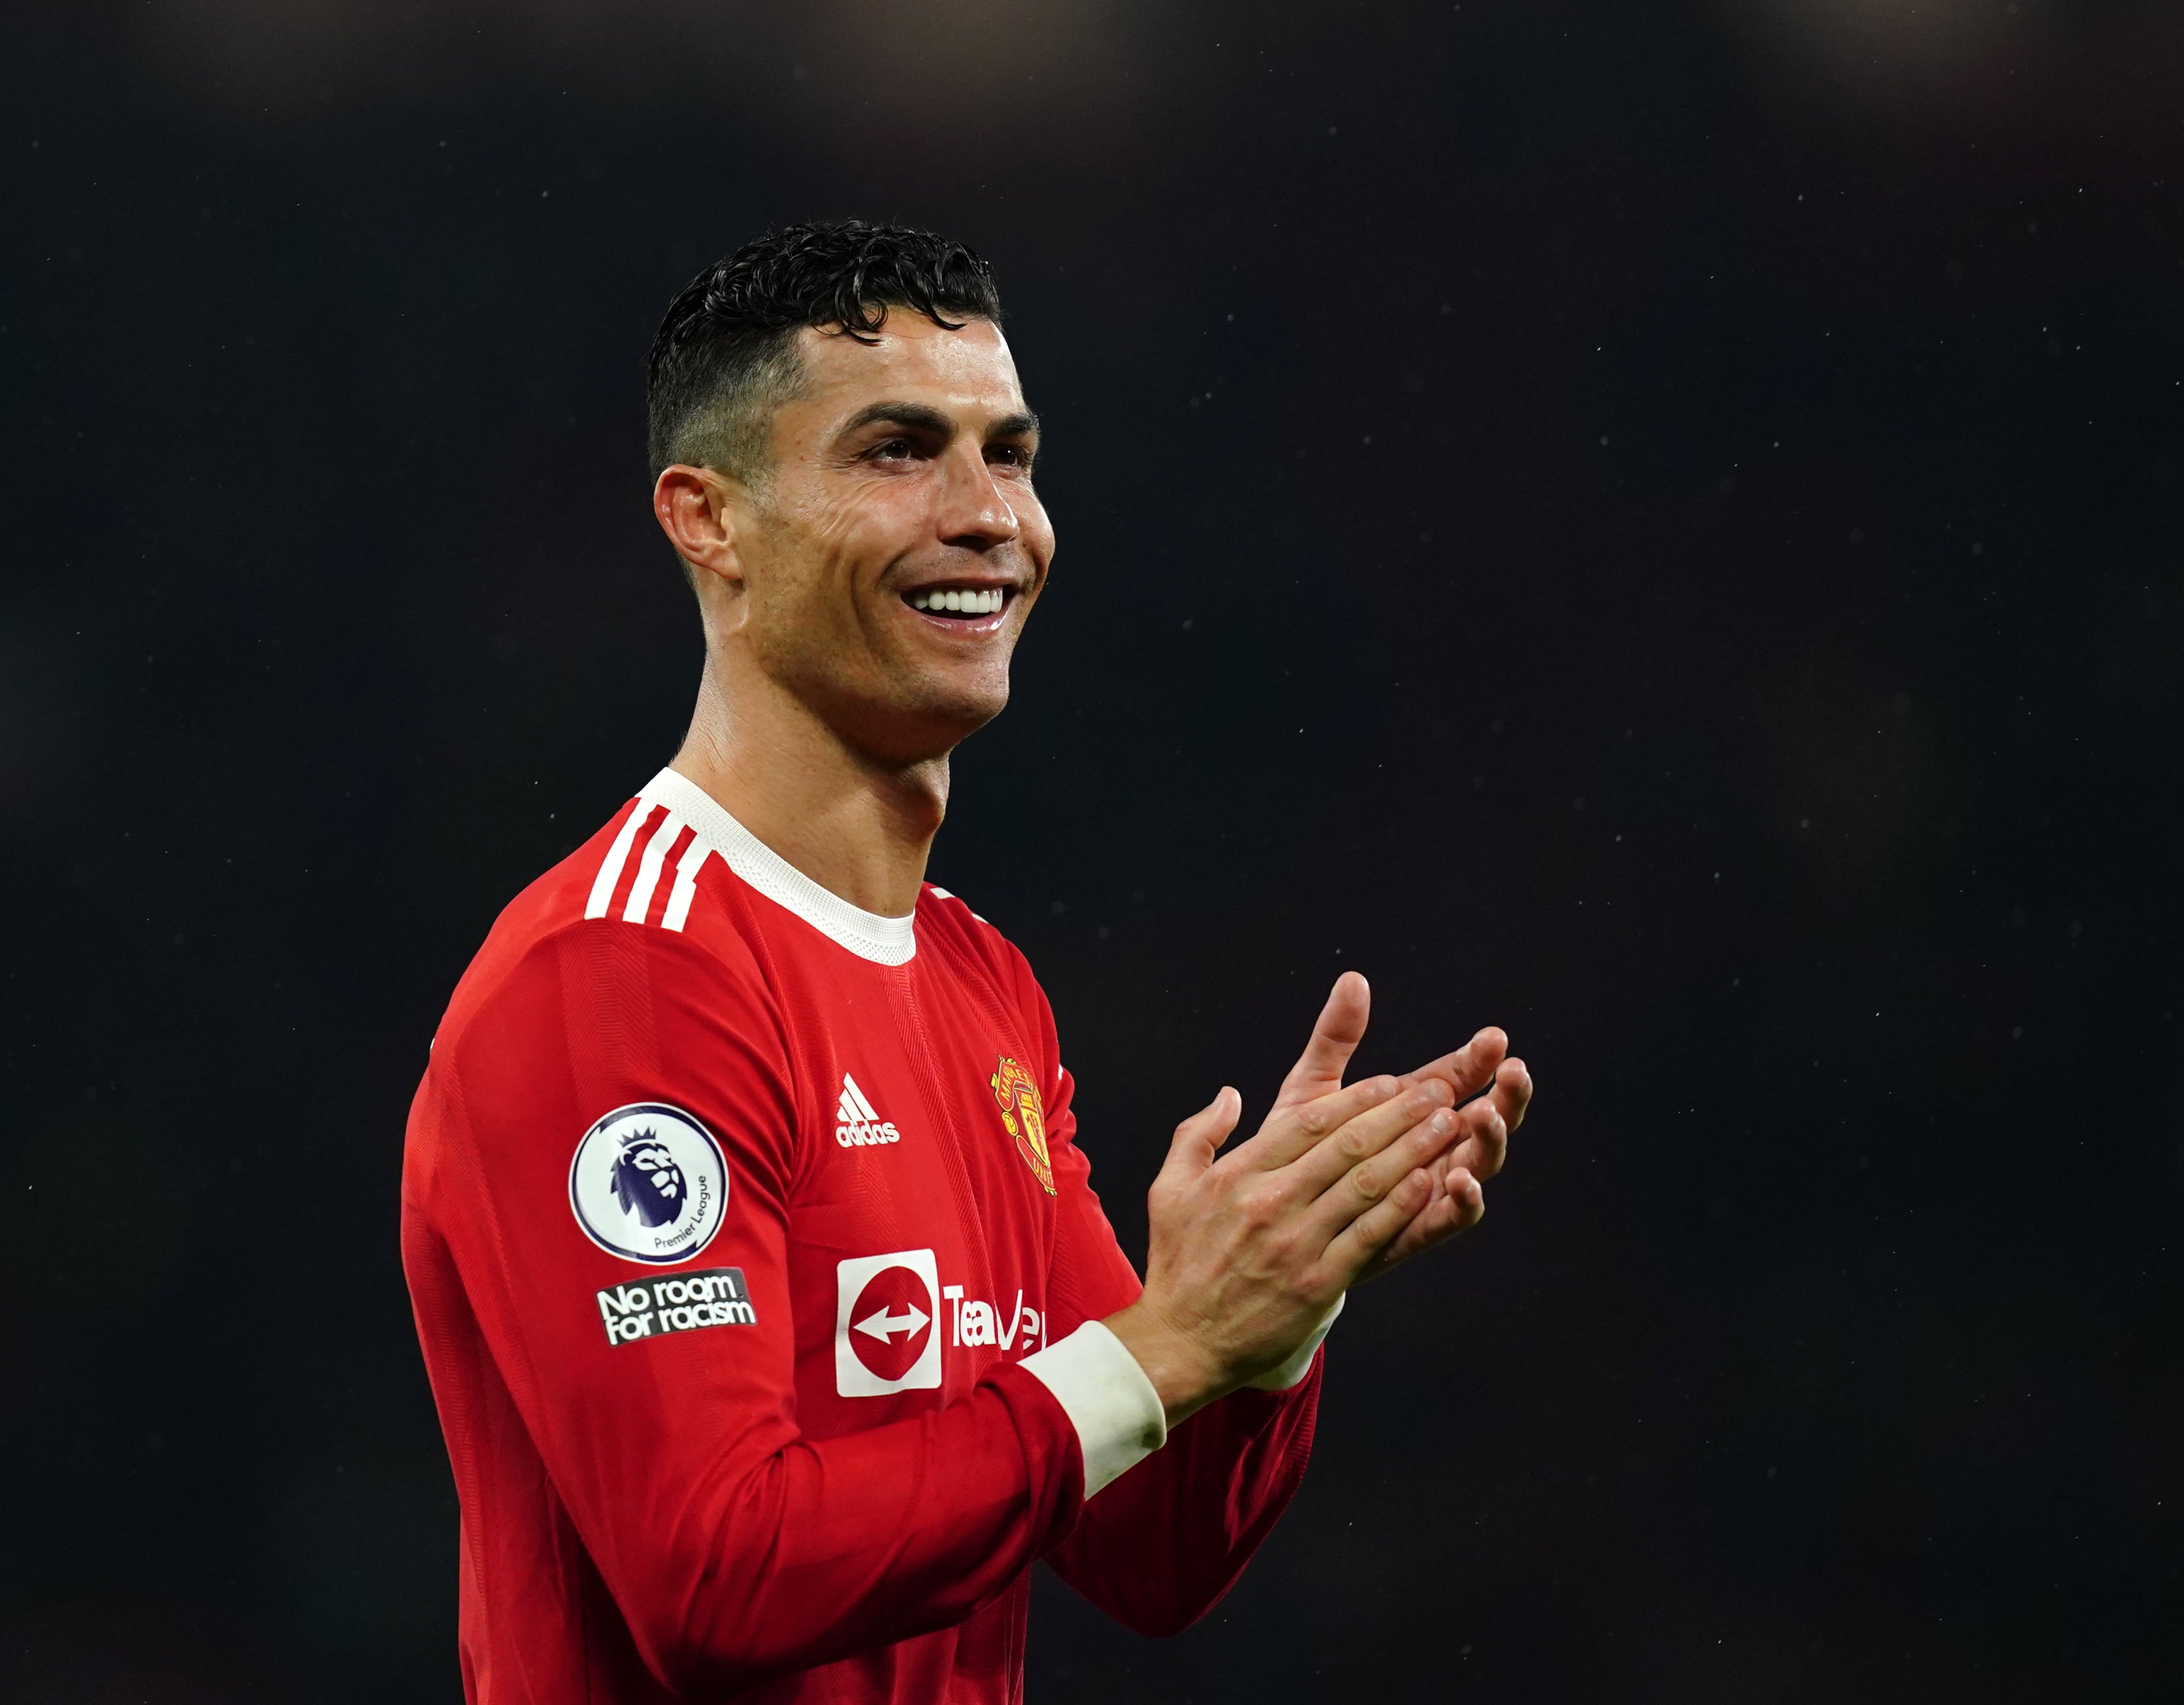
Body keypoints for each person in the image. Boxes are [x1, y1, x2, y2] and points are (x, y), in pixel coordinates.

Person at [400, 220, 1534, 1704]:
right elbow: (714, 1573)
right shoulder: (620, 975)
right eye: (897, 450)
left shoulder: (982, 985)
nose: (989, 512)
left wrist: (1269, 1304)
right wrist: (1168, 1336)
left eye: (1009, 452)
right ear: (708, 519)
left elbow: (1146, 1554)